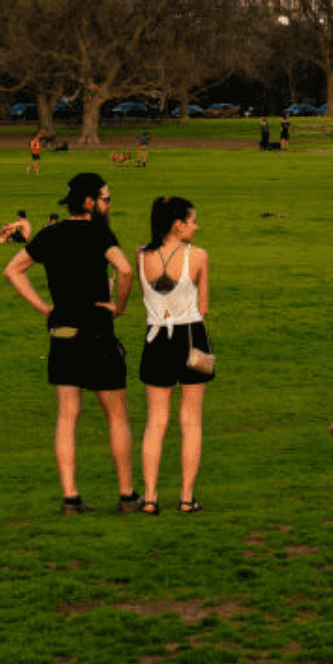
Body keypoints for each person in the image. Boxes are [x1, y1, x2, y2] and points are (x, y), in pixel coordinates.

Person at [2, 171, 141, 514]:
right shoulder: (99, 232)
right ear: (91, 202)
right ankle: (126, 495)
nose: (109, 205)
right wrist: (119, 307)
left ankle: (70, 497)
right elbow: (124, 270)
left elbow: (13, 271)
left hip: (62, 332)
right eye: (106, 199)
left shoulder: (50, 234)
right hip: (96, 332)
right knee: (117, 416)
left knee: (67, 416)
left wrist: (45, 309)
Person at [137, 195, 214, 514]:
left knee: (156, 422)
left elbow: (148, 296)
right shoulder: (198, 256)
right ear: (177, 224)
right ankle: (186, 497)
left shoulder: (141, 255)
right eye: (193, 221)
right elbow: (205, 306)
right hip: (192, 336)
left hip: (156, 339)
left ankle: (151, 497)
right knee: (191, 421)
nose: (197, 226)